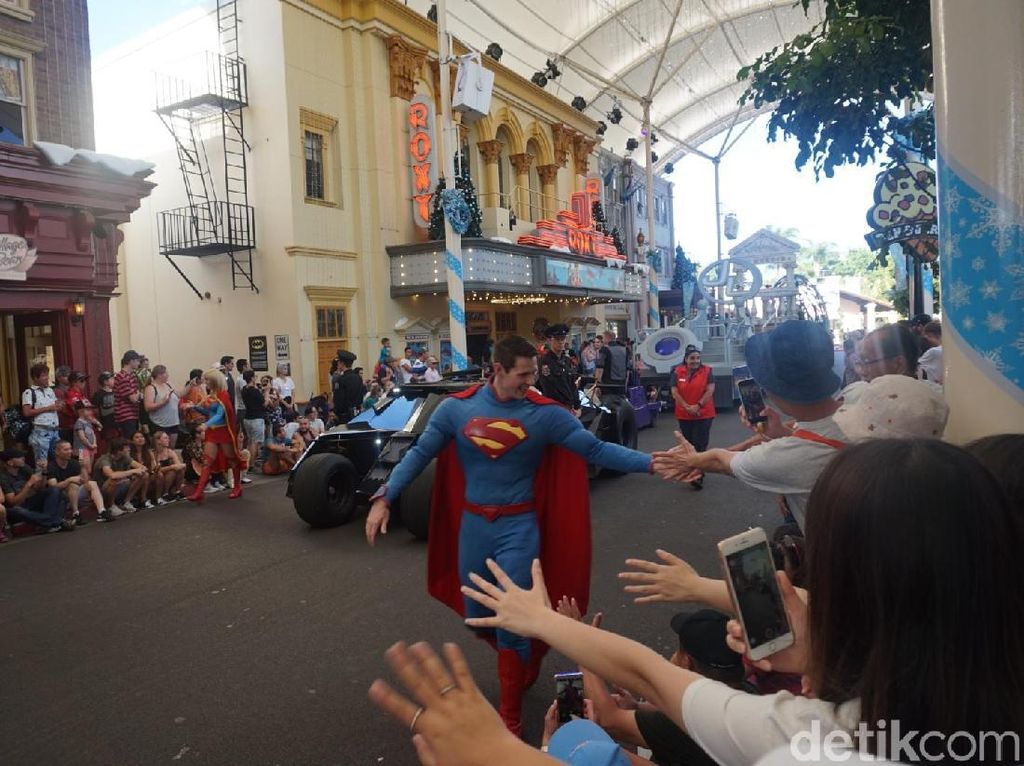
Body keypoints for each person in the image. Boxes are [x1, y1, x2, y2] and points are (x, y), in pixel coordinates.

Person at [384, 439, 1024, 766]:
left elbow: (651, 677)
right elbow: (649, 674)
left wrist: (501, 755)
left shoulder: (822, 741)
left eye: (818, 569)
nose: (799, 580)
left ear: (855, 601)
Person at [364, 334, 660, 736]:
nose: (530, 382)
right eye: (523, 374)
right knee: (480, 616)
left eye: (534, 373)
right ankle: (522, 656)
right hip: (473, 528)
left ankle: (511, 715)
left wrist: (653, 464)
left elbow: (595, 450)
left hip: (518, 529)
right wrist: (385, 496)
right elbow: (419, 453)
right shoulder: (457, 409)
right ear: (497, 370)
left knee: (512, 622)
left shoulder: (545, 415)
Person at [653, 320, 845, 529]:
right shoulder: (861, 399)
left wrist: (692, 459)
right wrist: (779, 432)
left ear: (772, 388)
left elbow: (721, 461)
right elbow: (801, 430)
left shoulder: (784, 457)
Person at [186, 369, 243, 501]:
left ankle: (237, 487)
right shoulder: (212, 394)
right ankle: (199, 492)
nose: (205, 382)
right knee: (207, 462)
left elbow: (219, 414)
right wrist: (193, 407)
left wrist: (206, 424)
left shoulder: (223, 395)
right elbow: (208, 411)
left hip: (223, 431)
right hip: (213, 431)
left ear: (215, 381)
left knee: (232, 460)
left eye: (207, 380)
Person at [671, 346, 715, 491]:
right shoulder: (677, 371)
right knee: (688, 444)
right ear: (686, 359)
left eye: (697, 358)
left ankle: (698, 475)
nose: (695, 361)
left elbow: (710, 389)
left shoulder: (707, 370)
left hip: (703, 414)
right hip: (684, 414)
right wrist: (686, 406)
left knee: (700, 444)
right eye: (692, 358)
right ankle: (691, 470)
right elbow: (674, 391)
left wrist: (698, 405)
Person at [0, 448, 73, 532]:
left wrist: (44, 472)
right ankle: (58, 522)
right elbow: (13, 502)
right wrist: (28, 484)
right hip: (16, 508)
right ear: (10, 462)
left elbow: (39, 488)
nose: (23, 458)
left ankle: (47, 525)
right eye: (19, 457)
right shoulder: (3, 477)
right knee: (18, 511)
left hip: (31, 501)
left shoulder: (24, 468)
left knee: (54, 491)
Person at [46, 440, 113, 523]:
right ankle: (76, 514)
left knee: (92, 483)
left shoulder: (73, 463)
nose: (69, 451)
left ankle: (102, 511)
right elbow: (53, 486)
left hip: (75, 494)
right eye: (66, 450)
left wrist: (83, 467)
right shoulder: (52, 466)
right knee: (72, 484)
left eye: (70, 449)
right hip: (61, 498)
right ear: (57, 452)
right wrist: (68, 480)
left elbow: (86, 481)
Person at [21, 362, 62, 471]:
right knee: (42, 463)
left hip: (55, 429)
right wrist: (48, 408)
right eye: (43, 375)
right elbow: (27, 412)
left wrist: (58, 406)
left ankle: (56, 482)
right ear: (35, 378)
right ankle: (42, 484)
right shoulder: (29, 393)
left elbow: (55, 406)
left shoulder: (50, 391)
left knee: (59, 460)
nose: (46, 378)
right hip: (41, 431)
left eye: (47, 375)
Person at [93, 437, 147, 513]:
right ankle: (111, 506)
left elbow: (142, 468)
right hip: (102, 490)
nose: (129, 449)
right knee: (114, 480)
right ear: (119, 450)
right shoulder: (104, 459)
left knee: (144, 475)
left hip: (121, 485)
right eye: (126, 447)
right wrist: (133, 471)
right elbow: (112, 475)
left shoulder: (124, 457)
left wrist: (138, 470)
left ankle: (126, 502)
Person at [537, 324, 579, 410]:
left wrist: (577, 405)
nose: (561, 342)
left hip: (569, 406)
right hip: (556, 407)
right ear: (549, 340)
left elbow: (572, 385)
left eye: (563, 339)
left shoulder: (566, 360)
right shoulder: (545, 362)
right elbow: (549, 388)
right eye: (557, 339)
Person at [144, 365, 182, 447]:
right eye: (166, 373)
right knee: (160, 449)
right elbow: (147, 407)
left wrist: (190, 385)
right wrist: (163, 402)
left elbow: (180, 395)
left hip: (173, 422)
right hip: (160, 424)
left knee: (171, 448)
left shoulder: (168, 384)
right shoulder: (151, 388)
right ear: (159, 375)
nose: (168, 375)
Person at [241, 370, 269, 471]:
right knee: (255, 442)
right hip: (257, 418)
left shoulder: (244, 389)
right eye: (255, 376)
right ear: (252, 378)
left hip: (247, 418)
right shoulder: (254, 391)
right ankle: (251, 464)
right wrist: (266, 392)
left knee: (249, 441)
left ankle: (246, 462)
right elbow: (264, 404)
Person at [113, 350, 143, 439]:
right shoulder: (121, 376)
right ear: (131, 361)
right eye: (137, 361)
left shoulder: (132, 375)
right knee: (129, 441)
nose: (138, 363)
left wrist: (137, 393)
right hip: (125, 415)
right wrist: (137, 393)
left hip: (133, 413)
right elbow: (133, 398)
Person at [332, 350, 366, 424]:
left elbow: (339, 400)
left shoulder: (341, 379)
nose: (338, 364)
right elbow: (361, 395)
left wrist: (336, 412)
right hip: (357, 413)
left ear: (342, 363)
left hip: (345, 416)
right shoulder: (358, 377)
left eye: (339, 362)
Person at [152, 430, 186, 503]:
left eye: (168, 438)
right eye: (165, 438)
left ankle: (177, 491)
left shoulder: (170, 452)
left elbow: (178, 465)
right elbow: (155, 470)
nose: (168, 439)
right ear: (158, 441)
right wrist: (171, 467)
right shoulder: (152, 453)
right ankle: (165, 494)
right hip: (157, 476)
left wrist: (179, 466)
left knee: (179, 470)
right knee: (171, 471)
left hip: (169, 476)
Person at [128, 430, 159, 509]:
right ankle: (143, 499)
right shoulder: (129, 452)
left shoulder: (148, 451)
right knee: (145, 475)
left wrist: (156, 467)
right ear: (132, 441)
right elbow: (127, 467)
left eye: (142, 437)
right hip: (133, 476)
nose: (140, 439)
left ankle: (158, 498)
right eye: (137, 437)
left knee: (159, 475)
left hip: (147, 473)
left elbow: (153, 465)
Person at [72, 399, 101, 474]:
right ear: (80, 411)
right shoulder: (79, 423)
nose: (91, 412)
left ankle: (88, 481)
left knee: (90, 469)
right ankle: (84, 483)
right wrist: (90, 445)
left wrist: (94, 443)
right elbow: (82, 437)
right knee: (84, 468)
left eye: (91, 410)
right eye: (88, 410)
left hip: (91, 447)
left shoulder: (88, 422)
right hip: (82, 449)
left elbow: (92, 433)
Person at [92, 372, 116, 453]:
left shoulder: (116, 392)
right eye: (112, 379)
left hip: (117, 423)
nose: (114, 380)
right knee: (108, 445)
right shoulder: (98, 394)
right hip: (106, 423)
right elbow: (94, 410)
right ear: (105, 382)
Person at [917, 320, 943, 385]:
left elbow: (916, 366)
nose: (926, 340)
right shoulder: (947, 350)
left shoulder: (933, 351)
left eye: (928, 336)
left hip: (934, 386)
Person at [53, 365, 74, 443]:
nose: (68, 378)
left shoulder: (74, 389)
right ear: (59, 378)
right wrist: (76, 413)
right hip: (64, 426)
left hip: (74, 426)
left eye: (69, 375)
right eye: (65, 376)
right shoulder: (57, 391)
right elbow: (62, 408)